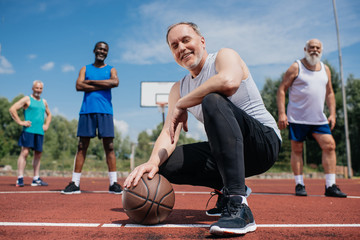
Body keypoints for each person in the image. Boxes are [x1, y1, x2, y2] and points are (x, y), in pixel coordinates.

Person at [124, 22, 281, 236]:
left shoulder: (224, 57)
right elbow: (169, 133)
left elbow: (229, 81)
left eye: (186, 40)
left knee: (213, 100)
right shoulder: (178, 88)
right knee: (164, 164)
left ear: (202, 41)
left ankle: (238, 204)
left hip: (263, 144)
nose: (181, 48)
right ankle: (227, 188)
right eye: (174, 45)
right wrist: (152, 162)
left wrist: (182, 104)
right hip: (229, 151)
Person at [277, 39, 346, 198]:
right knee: (297, 149)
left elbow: (330, 92)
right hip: (297, 117)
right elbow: (282, 89)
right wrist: (282, 113)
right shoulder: (296, 67)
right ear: (305, 49)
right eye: (311, 47)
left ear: (321, 50)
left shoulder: (325, 69)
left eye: (318, 47)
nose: (314, 50)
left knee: (329, 145)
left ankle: (330, 185)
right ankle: (299, 184)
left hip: (318, 118)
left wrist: (333, 113)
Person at [61, 41, 122, 195]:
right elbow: (78, 86)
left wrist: (92, 82)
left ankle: (113, 183)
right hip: (87, 111)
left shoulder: (111, 69)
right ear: (94, 50)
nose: (102, 51)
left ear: (107, 53)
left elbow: (115, 82)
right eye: (100, 48)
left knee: (109, 147)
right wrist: (104, 85)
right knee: (82, 146)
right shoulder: (85, 68)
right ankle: (75, 184)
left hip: (105, 111)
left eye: (105, 50)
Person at [9, 80, 52, 187]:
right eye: (37, 88)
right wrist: (20, 122)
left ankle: (36, 179)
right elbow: (12, 109)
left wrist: (46, 125)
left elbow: (49, 114)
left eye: (40, 88)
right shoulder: (27, 99)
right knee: (25, 153)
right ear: (33, 88)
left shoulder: (44, 102)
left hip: (39, 132)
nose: (38, 90)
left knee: (38, 154)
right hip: (28, 131)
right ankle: (20, 178)